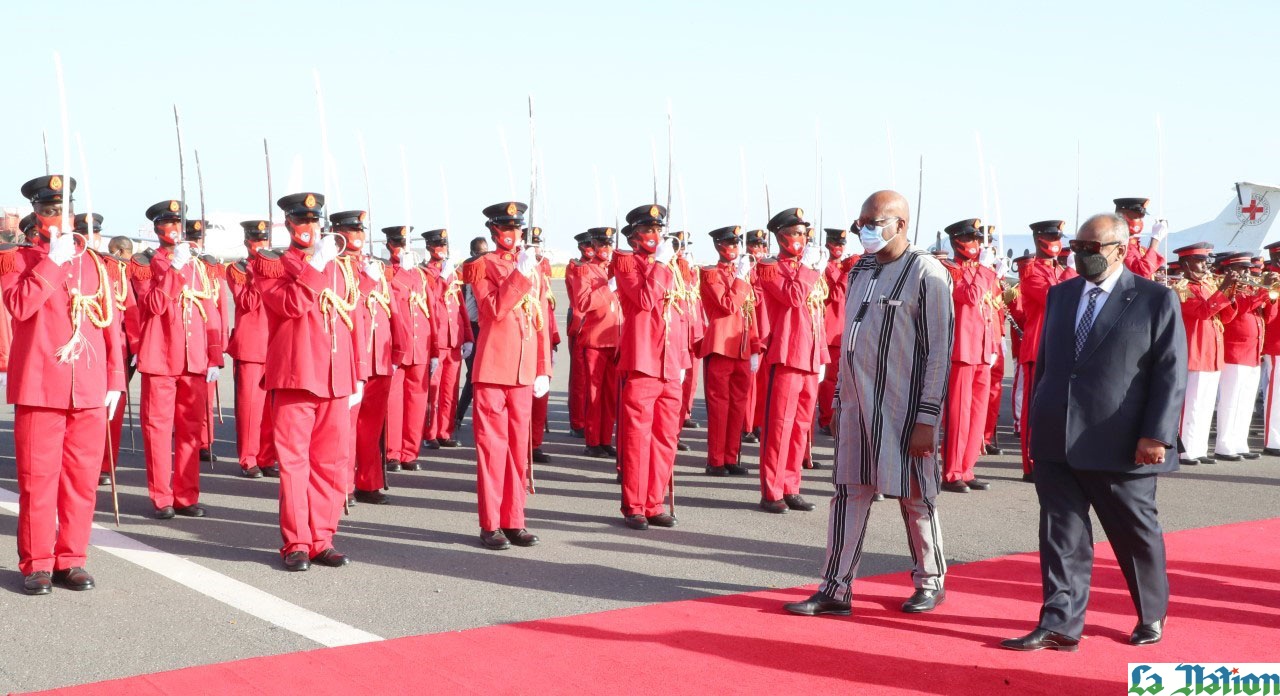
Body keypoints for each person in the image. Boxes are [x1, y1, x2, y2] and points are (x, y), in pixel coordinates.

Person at [1002, 213, 1186, 652]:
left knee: (1133, 533)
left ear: (1120, 250)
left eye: (1091, 249)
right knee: (1060, 534)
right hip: (1056, 438)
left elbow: (1170, 373)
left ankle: (1151, 614)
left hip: (1122, 442)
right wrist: (1037, 418)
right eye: (1076, 247)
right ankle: (1060, 623)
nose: (1080, 256)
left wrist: (1156, 435)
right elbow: (1047, 363)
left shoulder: (1154, 299)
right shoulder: (1062, 295)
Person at [784, 190, 952, 618]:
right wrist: (840, 401)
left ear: (900, 225)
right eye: (861, 223)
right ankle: (835, 589)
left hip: (906, 409)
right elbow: (850, 343)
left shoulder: (926, 272)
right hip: (858, 409)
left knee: (915, 496)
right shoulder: (860, 268)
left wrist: (928, 417)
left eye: (874, 223)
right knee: (847, 494)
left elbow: (939, 351)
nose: (865, 231)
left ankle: (930, 581)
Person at [2, 174, 125, 595]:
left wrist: (114, 379)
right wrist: (51, 262)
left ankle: (70, 558)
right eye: (50, 211)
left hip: (88, 387)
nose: (58, 218)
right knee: (38, 479)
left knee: (80, 478)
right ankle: (37, 562)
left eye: (64, 210)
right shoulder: (19, 260)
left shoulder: (92, 261)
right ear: (36, 215)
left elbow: (112, 324)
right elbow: (19, 306)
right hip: (41, 386)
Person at [253, 192, 366, 571]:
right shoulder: (271, 263)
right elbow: (290, 306)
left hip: (335, 377)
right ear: (288, 225)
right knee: (294, 465)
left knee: (331, 464)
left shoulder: (341, 265)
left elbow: (355, 319)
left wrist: (359, 373)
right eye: (301, 221)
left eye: (314, 221)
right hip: (296, 375)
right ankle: (296, 542)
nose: (308, 228)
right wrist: (315, 266)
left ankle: (322, 537)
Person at [463, 201, 548, 550]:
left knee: (518, 449)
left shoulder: (532, 268)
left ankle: (515, 520)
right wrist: (520, 276)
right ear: (494, 231)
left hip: (524, 370)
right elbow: (494, 310)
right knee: (492, 450)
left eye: (517, 229)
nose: (513, 235)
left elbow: (540, 320)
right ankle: (491, 523)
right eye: (506, 229)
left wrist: (543, 367)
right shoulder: (481, 266)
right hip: (494, 369)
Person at [130, 200, 221, 519]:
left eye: (179, 224)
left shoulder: (198, 266)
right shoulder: (145, 264)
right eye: (170, 225)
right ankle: (161, 496)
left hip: (193, 359)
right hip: (161, 358)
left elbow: (210, 312)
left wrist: (214, 354)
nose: (176, 230)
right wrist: (175, 270)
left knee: (191, 432)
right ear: (159, 230)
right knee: (157, 430)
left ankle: (186, 494)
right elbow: (152, 304)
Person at [612, 205, 682, 530]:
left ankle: (654, 503)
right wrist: (663, 265)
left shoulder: (669, 266)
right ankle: (635, 505)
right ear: (634, 235)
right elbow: (644, 299)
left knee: (666, 436)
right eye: (648, 230)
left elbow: (682, 312)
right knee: (637, 436)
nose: (654, 236)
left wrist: (682, 356)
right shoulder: (626, 262)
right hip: (642, 360)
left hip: (669, 362)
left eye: (658, 230)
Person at [755, 207, 827, 513]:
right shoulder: (770, 267)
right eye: (797, 233)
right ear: (782, 236)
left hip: (809, 357)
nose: (803, 238)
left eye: (805, 233)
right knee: (779, 427)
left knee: (799, 428)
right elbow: (794, 297)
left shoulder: (805, 268)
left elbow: (817, 313)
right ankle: (772, 490)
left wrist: (821, 354)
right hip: (785, 356)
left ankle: (791, 485)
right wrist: (810, 270)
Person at [940, 218, 1000, 493]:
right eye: (970, 239)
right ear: (956, 242)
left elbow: (992, 307)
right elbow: (972, 296)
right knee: (959, 414)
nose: (975, 244)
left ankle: (967, 467)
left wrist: (994, 344)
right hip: (961, 350)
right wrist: (985, 269)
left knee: (977, 413)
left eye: (977, 239)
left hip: (981, 349)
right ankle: (952, 471)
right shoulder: (948, 269)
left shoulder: (981, 271)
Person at [1017, 220, 1077, 481]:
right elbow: (1054, 296)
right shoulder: (1031, 271)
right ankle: (1031, 463)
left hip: (1059, 347)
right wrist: (1071, 273)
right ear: (1040, 238)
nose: (1056, 240)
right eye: (1052, 236)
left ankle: (1050, 457)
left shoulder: (1058, 270)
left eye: (1058, 236)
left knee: (1056, 408)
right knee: (1035, 409)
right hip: (1037, 347)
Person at [698, 225, 757, 477]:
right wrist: (742, 278)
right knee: (720, 407)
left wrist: (754, 347)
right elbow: (728, 305)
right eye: (729, 243)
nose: (733, 248)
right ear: (718, 246)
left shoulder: (741, 275)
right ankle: (716, 460)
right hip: (721, 347)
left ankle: (731, 457)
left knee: (737, 407)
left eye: (736, 243)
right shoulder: (711, 274)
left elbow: (751, 312)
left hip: (742, 348)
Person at [1170, 243, 1234, 465]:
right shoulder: (1182, 287)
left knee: (1206, 405)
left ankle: (1198, 449)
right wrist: (1223, 288)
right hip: (1196, 350)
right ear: (1186, 263)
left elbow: (1225, 318)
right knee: (1193, 403)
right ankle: (1185, 450)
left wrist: (1229, 292)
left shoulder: (1207, 286)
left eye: (1205, 260)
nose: (1205, 264)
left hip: (1212, 352)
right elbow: (1202, 312)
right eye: (1199, 260)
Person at [225, 221, 278, 477]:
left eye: (265, 241)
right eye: (257, 241)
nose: (262, 246)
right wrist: (259, 274)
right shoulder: (237, 270)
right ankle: (249, 458)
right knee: (250, 409)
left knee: (271, 410)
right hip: (250, 347)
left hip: (275, 345)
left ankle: (267, 457)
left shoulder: (277, 267)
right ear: (247, 242)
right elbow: (246, 302)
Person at [385, 226, 435, 472]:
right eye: (397, 243)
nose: (402, 248)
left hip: (420, 344)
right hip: (398, 346)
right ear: (389, 246)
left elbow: (431, 310)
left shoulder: (420, 274)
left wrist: (434, 348)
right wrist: (403, 271)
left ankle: (409, 451)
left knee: (417, 402)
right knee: (394, 402)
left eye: (405, 243)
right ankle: (392, 451)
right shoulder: (386, 272)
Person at [421, 227, 473, 451]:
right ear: (430, 248)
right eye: (438, 246)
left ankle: (445, 431)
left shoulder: (450, 273)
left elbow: (460, 305)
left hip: (454, 339)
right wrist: (442, 277)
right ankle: (430, 433)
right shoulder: (426, 273)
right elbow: (433, 299)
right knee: (433, 390)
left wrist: (468, 336)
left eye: (444, 246)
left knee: (450, 389)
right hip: (438, 339)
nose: (442, 250)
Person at [1213, 252, 1268, 461]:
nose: (1247, 272)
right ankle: (1224, 444)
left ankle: (1239, 442)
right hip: (1235, 352)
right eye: (1242, 269)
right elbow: (1239, 310)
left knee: (1245, 401)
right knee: (1230, 400)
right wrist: (1262, 293)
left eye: (1247, 268)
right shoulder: (1230, 289)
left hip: (1253, 353)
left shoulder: (1249, 289)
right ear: (1229, 271)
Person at [817, 227, 857, 435]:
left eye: (842, 243)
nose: (839, 247)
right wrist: (847, 272)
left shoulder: (844, 266)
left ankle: (838, 417)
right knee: (829, 381)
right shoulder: (826, 267)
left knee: (844, 381)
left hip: (845, 330)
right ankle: (826, 418)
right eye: (835, 243)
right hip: (830, 329)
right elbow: (837, 295)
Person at [528, 226, 559, 464]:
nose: (539, 248)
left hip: (544, 342)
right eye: (534, 244)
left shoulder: (542, 271)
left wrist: (554, 340)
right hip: (526, 344)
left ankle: (535, 443)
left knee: (540, 401)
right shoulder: (525, 270)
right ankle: (524, 444)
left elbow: (548, 310)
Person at [455, 236, 488, 428]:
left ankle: (468, 415)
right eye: (479, 253)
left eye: (485, 252)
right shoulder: (463, 271)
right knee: (472, 374)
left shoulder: (487, 267)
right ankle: (458, 415)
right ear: (472, 253)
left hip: (485, 327)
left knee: (482, 374)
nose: (483, 256)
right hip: (471, 327)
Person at [1114, 197, 1168, 280]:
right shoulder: (1120, 246)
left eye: (1141, 218)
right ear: (1123, 218)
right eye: (1136, 218)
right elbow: (1142, 272)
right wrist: (1156, 239)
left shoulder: (1137, 247)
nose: (1140, 222)